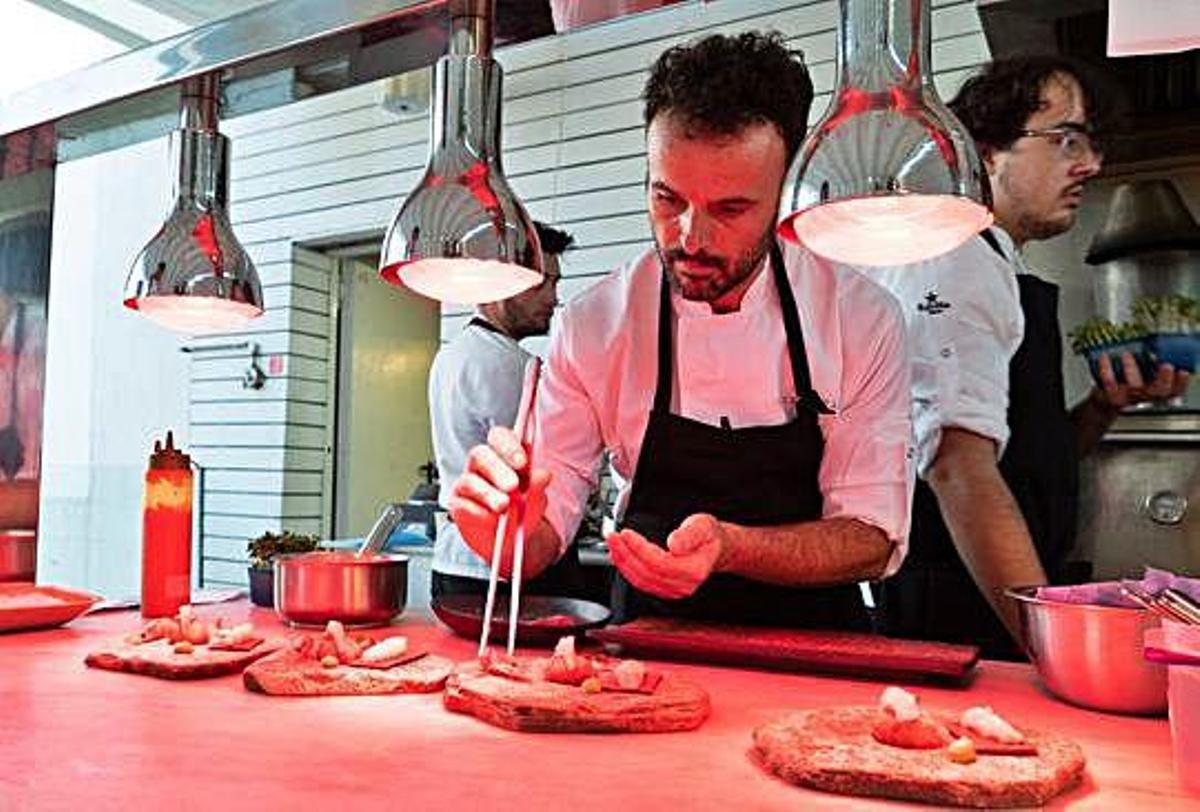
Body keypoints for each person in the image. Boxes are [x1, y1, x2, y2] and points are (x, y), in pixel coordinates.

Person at [447, 32, 913, 630]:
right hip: (643, 652)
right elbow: (540, 536)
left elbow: (872, 538)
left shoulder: (859, 317)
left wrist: (734, 547)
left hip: (814, 661)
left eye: (731, 210)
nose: (689, 239)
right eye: (667, 198)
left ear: (785, 190)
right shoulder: (595, 325)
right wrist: (501, 531)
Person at [872, 56, 1191, 657]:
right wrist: (1055, 651)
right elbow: (957, 468)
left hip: (985, 598)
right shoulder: (958, 258)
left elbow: (1020, 464)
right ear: (987, 151)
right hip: (956, 613)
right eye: (1065, 139)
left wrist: (1100, 408)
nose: (1090, 163)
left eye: (1090, 142)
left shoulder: (997, 264)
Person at [428, 221, 576, 600]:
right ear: (501, 281)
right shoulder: (513, 366)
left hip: (451, 559)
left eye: (555, 284)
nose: (554, 298)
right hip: (500, 563)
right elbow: (540, 468)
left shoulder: (450, 354)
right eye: (543, 283)